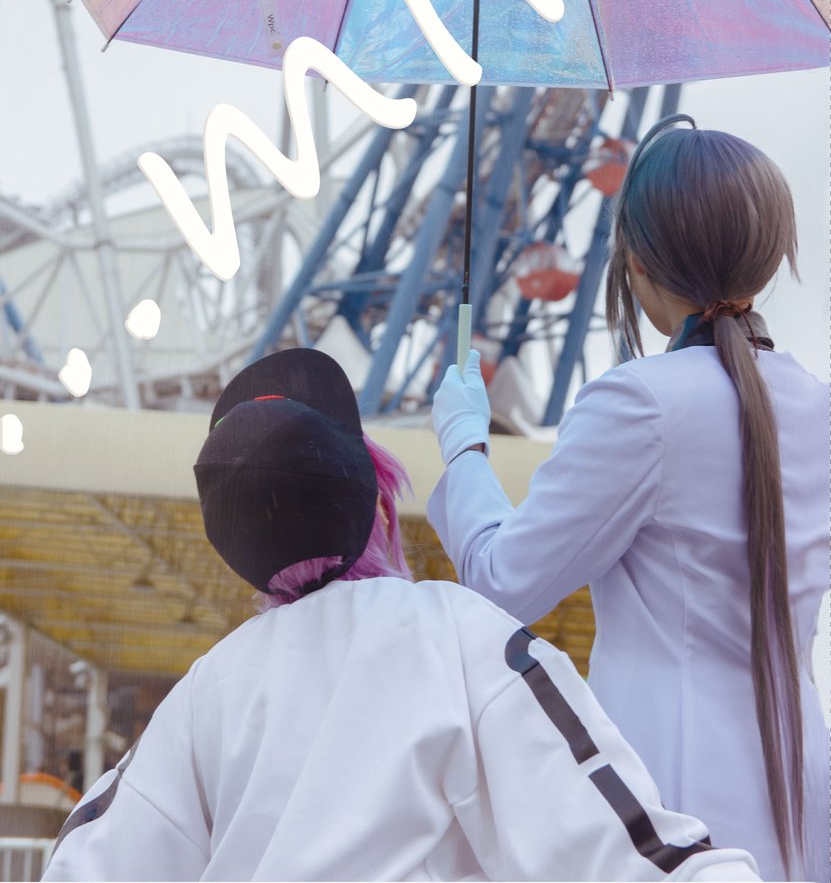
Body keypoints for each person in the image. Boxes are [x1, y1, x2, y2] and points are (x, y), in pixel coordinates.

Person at [43, 347, 762, 882]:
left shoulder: (208, 688)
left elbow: (89, 863)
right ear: (375, 492)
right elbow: (625, 851)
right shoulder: (458, 633)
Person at [428, 116, 830, 883]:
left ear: (636, 263)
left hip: (665, 791)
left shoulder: (638, 403)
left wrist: (464, 446)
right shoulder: (819, 407)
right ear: (768, 257)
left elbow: (502, 582)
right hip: (800, 786)